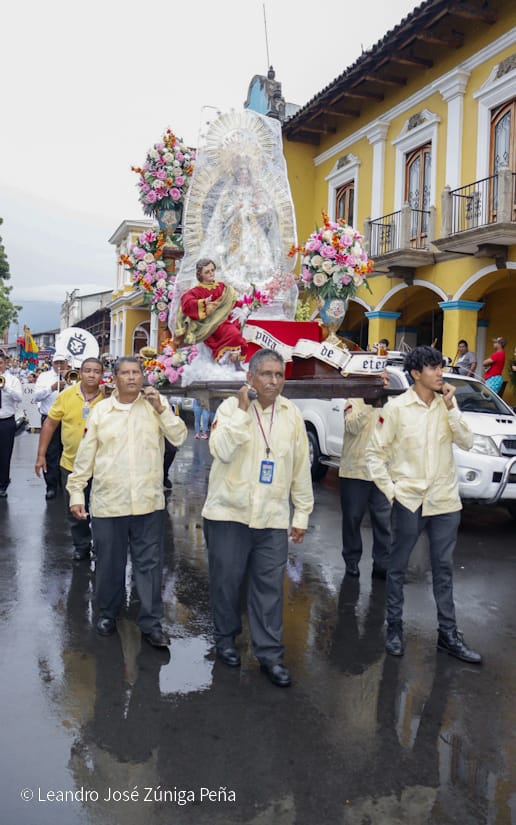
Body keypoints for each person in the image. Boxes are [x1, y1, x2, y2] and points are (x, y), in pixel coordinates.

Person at [202, 348, 314, 687]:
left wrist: (302, 513)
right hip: (228, 514)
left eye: (279, 375)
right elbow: (219, 450)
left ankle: (269, 655)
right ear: (250, 378)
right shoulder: (229, 409)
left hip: (271, 518)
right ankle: (225, 640)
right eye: (266, 374)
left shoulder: (292, 414)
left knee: (269, 589)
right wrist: (241, 409)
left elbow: (300, 467)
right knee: (227, 582)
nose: (274, 381)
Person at [365, 346, 482, 664]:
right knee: (398, 568)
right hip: (409, 501)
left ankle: (448, 635)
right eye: (433, 367)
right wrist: (392, 492)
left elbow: (467, 441)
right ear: (416, 373)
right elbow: (375, 454)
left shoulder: (447, 404)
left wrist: (452, 408)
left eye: (440, 366)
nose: (440, 372)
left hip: (445, 502)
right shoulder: (397, 408)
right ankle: (394, 629)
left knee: (443, 570)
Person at [66, 356, 187, 648]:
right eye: (125, 373)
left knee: (149, 565)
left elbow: (179, 436)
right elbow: (86, 456)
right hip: (110, 503)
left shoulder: (156, 408)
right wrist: (76, 492)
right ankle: (107, 613)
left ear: (143, 376)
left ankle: (151, 623)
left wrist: (162, 409)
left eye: (136, 373)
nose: (132, 378)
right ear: (115, 379)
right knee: (109, 563)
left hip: (148, 503)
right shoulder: (101, 412)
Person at [35, 358, 104, 560]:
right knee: (75, 508)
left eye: (97, 371)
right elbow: (49, 424)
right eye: (88, 371)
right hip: (71, 464)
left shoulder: (109, 398)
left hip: (103, 466)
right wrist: (41, 455)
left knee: (103, 508)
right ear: (80, 373)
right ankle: (82, 545)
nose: (92, 375)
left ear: (102, 375)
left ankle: (102, 545)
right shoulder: (66, 396)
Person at [338, 373, 392, 580]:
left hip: (381, 473)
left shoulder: (391, 405)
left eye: (385, 380)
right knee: (352, 521)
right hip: (355, 471)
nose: (382, 384)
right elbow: (351, 426)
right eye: (379, 380)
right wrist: (370, 404)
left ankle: (382, 564)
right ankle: (351, 562)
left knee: (384, 522)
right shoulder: (354, 399)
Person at [174, 258, 248, 364]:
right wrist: (203, 304)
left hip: (223, 321)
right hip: (207, 325)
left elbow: (232, 302)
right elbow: (186, 303)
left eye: (212, 270)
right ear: (200, 274)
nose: (211, 273)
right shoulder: (196, 291)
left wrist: (245, 305)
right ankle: (224, 362)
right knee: (234, 335)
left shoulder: (222, 287)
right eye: (207, 272)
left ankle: (233, 364)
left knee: (237, 336)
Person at [33, 352, 69, 499]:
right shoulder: (44, 377)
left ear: (67, 363)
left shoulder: (72, 374)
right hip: (49, 418)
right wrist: (52, 388)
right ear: (52, 363)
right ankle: (51, 486)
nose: (59, 366)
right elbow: (36, 397)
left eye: (62, 363)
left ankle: (65, 484)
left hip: (68, 420)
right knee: (50, 453)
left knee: (67, 451)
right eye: (57, 363)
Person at [0, 351, 23, 498]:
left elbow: (19, 398)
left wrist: (5, 388)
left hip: (6, 421)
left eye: (0, 363)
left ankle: (2, 484)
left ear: (5, 363)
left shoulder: (13, 380)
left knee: (4, 454)